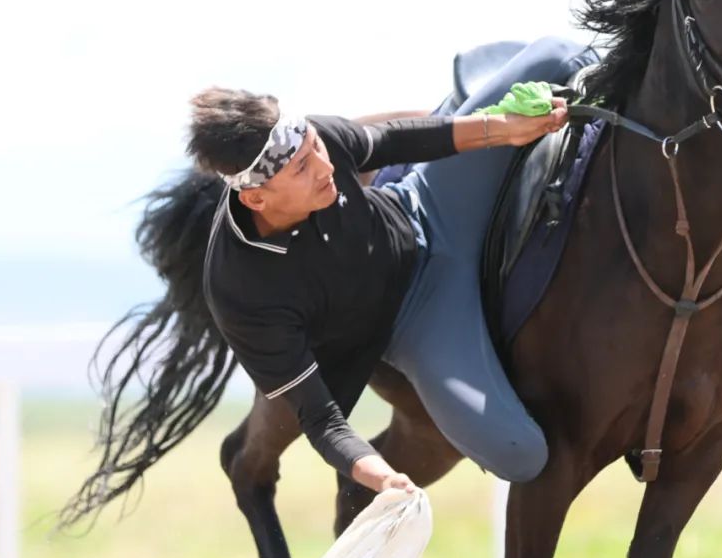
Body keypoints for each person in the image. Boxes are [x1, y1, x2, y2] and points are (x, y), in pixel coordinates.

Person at [194, 38, 592, 497]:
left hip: (431, 204)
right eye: (303, 169)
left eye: (317, 149)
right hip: (417, 317)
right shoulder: (239, 290)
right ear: (256, 198)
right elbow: (322, 421)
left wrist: (504, 128)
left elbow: (395, 140)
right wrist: (378, 474)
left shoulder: (316, 143)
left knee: (557, 54)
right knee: (520, 456)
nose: (324, 167)